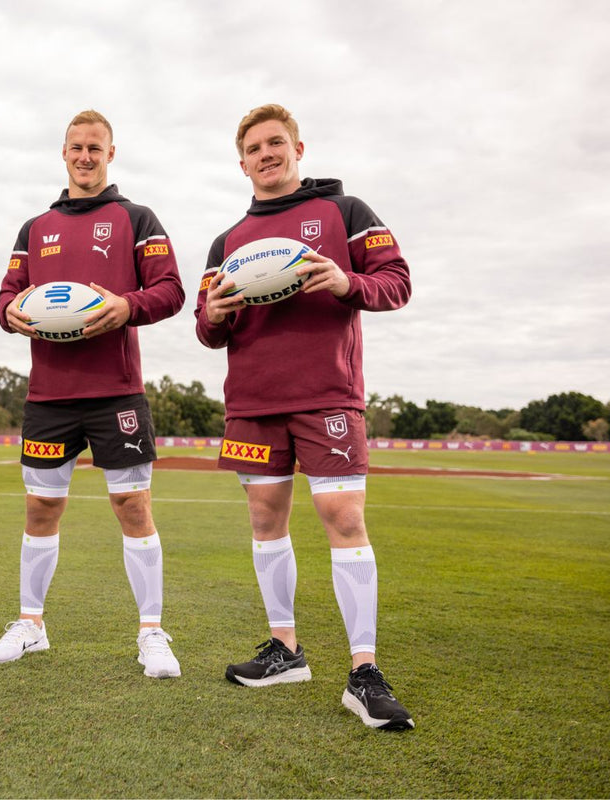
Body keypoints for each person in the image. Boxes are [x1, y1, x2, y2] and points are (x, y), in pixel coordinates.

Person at [195, 103, 414, 729]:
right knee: (266, 519)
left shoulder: (345, 214)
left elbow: (395, 281)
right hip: (254, 404)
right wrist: (213, 311)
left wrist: (347, 284)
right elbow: (210, 332)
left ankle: (364, 672)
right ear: (241, 163)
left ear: (298, 149)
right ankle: (285, 650)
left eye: (276, 143)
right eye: (254, 148)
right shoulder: (227, 241)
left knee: (343, 517)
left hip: (328, 396)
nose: (266, 154)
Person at [0, 110, 186, 678]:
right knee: (40, 508)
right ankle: (31, 624)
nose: (84, 156)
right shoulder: (36, 227)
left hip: (116, 392)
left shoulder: (137, 218)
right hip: (49, 395)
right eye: (75, 147)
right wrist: (10, 314)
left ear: (111, 153)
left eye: (94, 147)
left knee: (133, 507)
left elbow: (170, 290)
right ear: (63, 153)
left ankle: (151, 632)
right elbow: (8, 295)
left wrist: (128, 306)